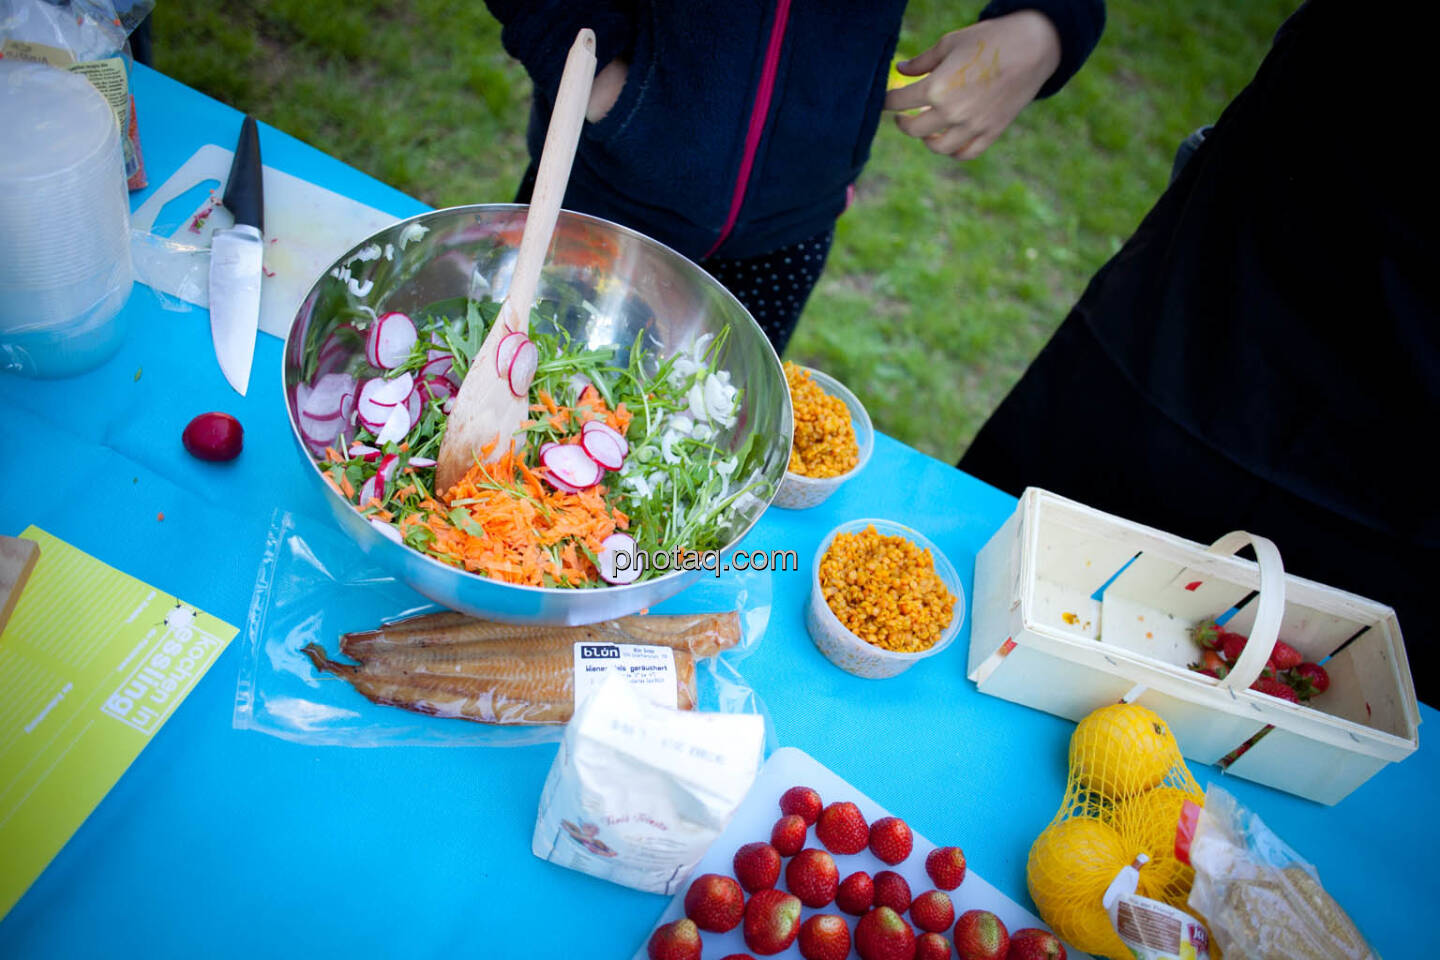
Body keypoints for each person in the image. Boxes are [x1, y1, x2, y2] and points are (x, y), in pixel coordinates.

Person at [957, 0, 1440, 702]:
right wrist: (1050, 15)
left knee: (1327, 722)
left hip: (1413, 480)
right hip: (1232, 282)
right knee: (988, 591)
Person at [484, 1, 1105, 353]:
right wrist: (597, 71)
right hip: (603, 189)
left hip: (788, 233)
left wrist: (1046, 22)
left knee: (688, 476)